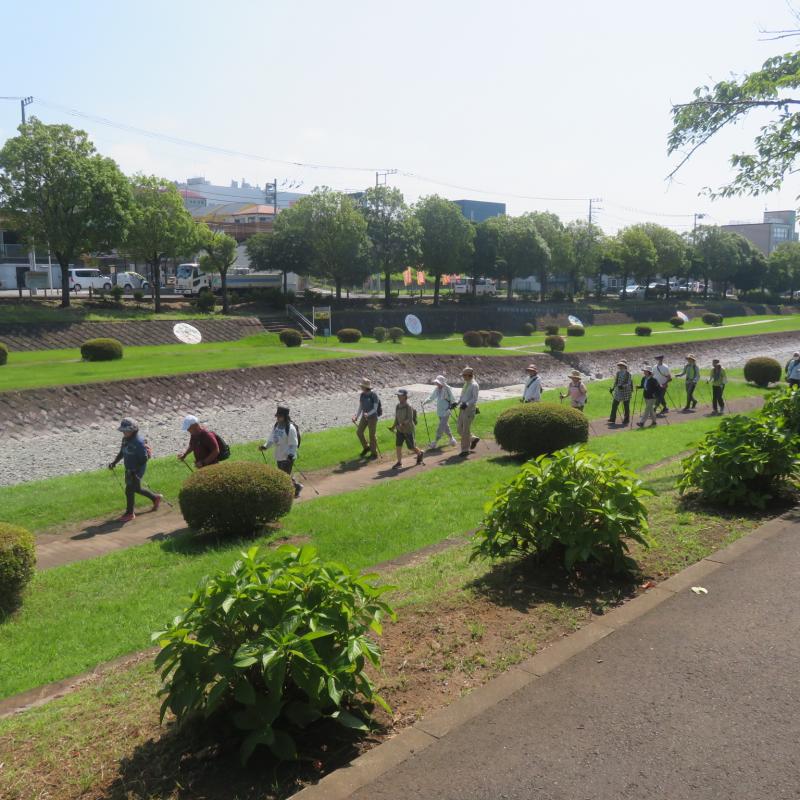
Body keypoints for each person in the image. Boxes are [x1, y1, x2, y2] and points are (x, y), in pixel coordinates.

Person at [108, 418, 161, 523]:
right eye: (122, 430)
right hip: (129, 468)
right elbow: (122, 452)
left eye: (125, 430)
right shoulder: (125, 439)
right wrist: (114, 462)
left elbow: (144, 459)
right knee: (136, 488)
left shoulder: (138, 442)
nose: (123, 432)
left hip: (137, 469)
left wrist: (135, 470)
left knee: (129, 489)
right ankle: (155, 498)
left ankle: (129, 513)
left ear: (133, 430)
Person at [260, 405, 303, 498]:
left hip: (288, 456)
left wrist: (291, 455)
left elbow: (294, 443)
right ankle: (297, 487)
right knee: (283, 474)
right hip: (279, 454)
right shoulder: (276, 426)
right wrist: (265, 446)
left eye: (280, 416)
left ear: (285, 416)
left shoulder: (290, 428)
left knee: (284, 475)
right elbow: (272, 438)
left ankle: (286, 494)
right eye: (277, 416)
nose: (278, 418)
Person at [389, 389, 425, 469]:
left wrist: (403, 424)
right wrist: (393, 426)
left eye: (400, 395)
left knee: (411, 447)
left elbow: (410, 418)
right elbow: (396, 418)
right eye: (398, 395)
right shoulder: (397, 406)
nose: (398, 397)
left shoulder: (409, 406)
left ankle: (420, 453)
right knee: (398, 446)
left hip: (408, 429)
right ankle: (399, 463)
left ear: (405, 396)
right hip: (400, 430)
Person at [423, 374, 457, 449]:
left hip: (446, 411)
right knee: (445, 426)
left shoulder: (447, 388)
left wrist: (452, 406)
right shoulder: (437, 389)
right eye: (436, 383)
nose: (436, 384)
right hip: (439, 411)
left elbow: (452, 398)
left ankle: (435, 442)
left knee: (441, 427)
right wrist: (425, 402)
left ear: (441, 382)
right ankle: (452, 439)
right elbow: (431, 397)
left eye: (438, 383)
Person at [352, 379, 380, 459]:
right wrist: (356, 417)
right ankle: (366, 447)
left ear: (366, 387)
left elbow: (375, 408)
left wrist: (368, 414)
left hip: (372, 417)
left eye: (362, 386)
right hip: (364, 417)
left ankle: (374, 453)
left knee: (372, 435)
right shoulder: (362, 395)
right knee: (359, 432)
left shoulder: (374, 395)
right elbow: (361, 407)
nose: (361, 387)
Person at [457, 366, 480, 458]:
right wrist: (457, 402)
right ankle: (473, 439)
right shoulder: (466, 383)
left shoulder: (474, 385)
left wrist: (466, 404)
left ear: (469, 375)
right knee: (459, 429)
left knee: (465, 430)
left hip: (469, 410)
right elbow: (463, 396)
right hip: (462, 408)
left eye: (464, 375)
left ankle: (465, 450)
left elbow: (474, 399)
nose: (463, 377)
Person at [608, 360, 632, 425]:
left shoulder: (628, 374)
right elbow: (616, 381)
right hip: (618, 391)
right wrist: (612, 388)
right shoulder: (618, 373)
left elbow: (629, 383)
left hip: (626, 392)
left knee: (626, 406)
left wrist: (623, 386)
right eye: (619, 365)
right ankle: (612, 418)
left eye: (621, 365)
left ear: (624, 366)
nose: (620, 367)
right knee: (614, 404)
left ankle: (626, 419)